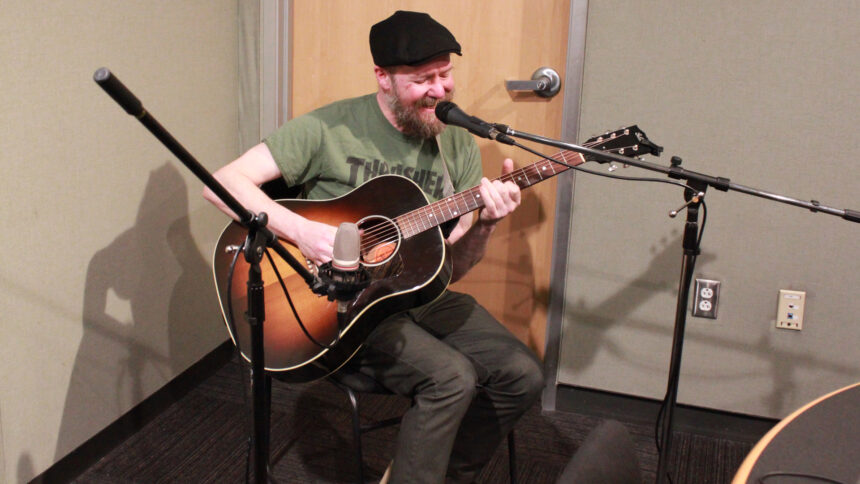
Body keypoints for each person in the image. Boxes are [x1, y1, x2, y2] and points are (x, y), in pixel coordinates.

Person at [204, 10, 544, 483]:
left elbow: (454, 269)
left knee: (523, 374)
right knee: (452, 378)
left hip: (414, 295)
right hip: (337, 301)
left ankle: (430, 473)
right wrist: (302, 232)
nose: (440, 90)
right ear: (382, 78)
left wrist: (485, 225)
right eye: (423, 79)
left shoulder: (457, 148)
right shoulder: (328, 128)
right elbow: (221, 183)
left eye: (446, 75)